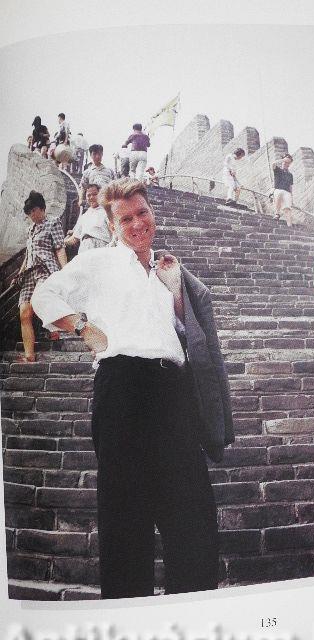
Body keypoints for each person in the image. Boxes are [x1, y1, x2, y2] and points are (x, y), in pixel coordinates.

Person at [31, 178, 233, 599]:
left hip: (173, 392)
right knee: (125, 516)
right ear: (112, 226)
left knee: (193, 515)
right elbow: (44, 294)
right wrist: (82, 327)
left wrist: (177, 293)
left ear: (152, 213)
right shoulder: (98, 262)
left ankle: (191, 613)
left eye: (143, 213)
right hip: (122, 387)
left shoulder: (170, 271)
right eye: (126, 219)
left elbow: (187, 335)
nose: (137, 223)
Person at [17, 191, 67, 362]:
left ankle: (54, 327)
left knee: (37, 301)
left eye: (34, 210)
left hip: (45, 270)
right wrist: (20, 272)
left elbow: (59, 248)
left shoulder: (53, 223)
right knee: (24, 312)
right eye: (29, 212)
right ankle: (29, 355)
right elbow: (28, 254)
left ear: (42, 208)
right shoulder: (30, 229)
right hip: (29, 273)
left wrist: (65, 271)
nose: (32, 214)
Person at [64, 184, 112, 252]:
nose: (91, 197)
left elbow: (115, 233)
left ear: (101, 195)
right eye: (89, 195)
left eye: (95, 194)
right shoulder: (84, 216)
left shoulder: (107, 212)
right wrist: (60, 243)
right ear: (86, 198)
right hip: (84, 247)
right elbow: (74, 239)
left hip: (101, 247)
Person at [272, 153, 294, 226]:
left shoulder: (290, 175)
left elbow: (290, 186)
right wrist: (283, 159)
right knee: (279, 193)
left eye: (288, 163)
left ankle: (289, 224)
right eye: (285, 162)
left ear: (289, 164)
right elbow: (273, 164)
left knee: (287, 208)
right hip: (278, 189)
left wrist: (292, 197)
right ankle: (277, 213)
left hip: (287, 192)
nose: (286, 163)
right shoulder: (277, 170)